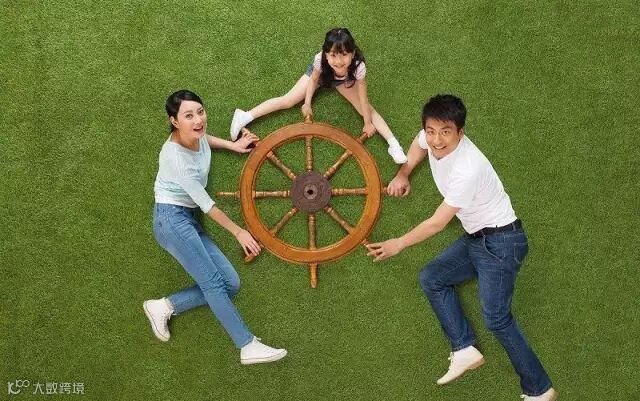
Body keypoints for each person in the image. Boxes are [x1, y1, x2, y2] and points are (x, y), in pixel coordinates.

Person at [366, 95, 557, 400]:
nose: (436, 140)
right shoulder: (429, 139)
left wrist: (398, 243)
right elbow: (418, 144)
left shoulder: (468, 168)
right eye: (431, 131)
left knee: (497, 319)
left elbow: (437, 223)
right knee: (432, 278)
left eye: (445, 132)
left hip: (502, 243)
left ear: (460, 132)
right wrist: (403, 173)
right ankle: (464, 348)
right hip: (476, 238)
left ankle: (540, 390)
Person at [143, 90, 287, 365]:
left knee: (230, 284)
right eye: (188, 116)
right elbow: (208, 206)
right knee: (213, 284)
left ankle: (163, 306)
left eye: (200, 112)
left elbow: (203, 139)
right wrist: (239, 232)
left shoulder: (194, 136)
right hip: (171, 221)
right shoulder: (175, 158)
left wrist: (233, 146)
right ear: (174, 121)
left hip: (187, 218)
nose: (198, 120)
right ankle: (246, 345)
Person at [229, 27, 408, 164]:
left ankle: (394, 145)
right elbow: (314, 79)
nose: (339, 61)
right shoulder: (320, 60)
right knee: (288, 100)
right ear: (326, 54)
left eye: (344, 55)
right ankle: (244, 115)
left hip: (342, 81)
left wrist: (367, 123)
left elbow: (363, 96)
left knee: (366, 108)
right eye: (333, 55)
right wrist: (307, 103)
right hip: (322, 76)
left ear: (352, 53)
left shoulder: (358, 67)